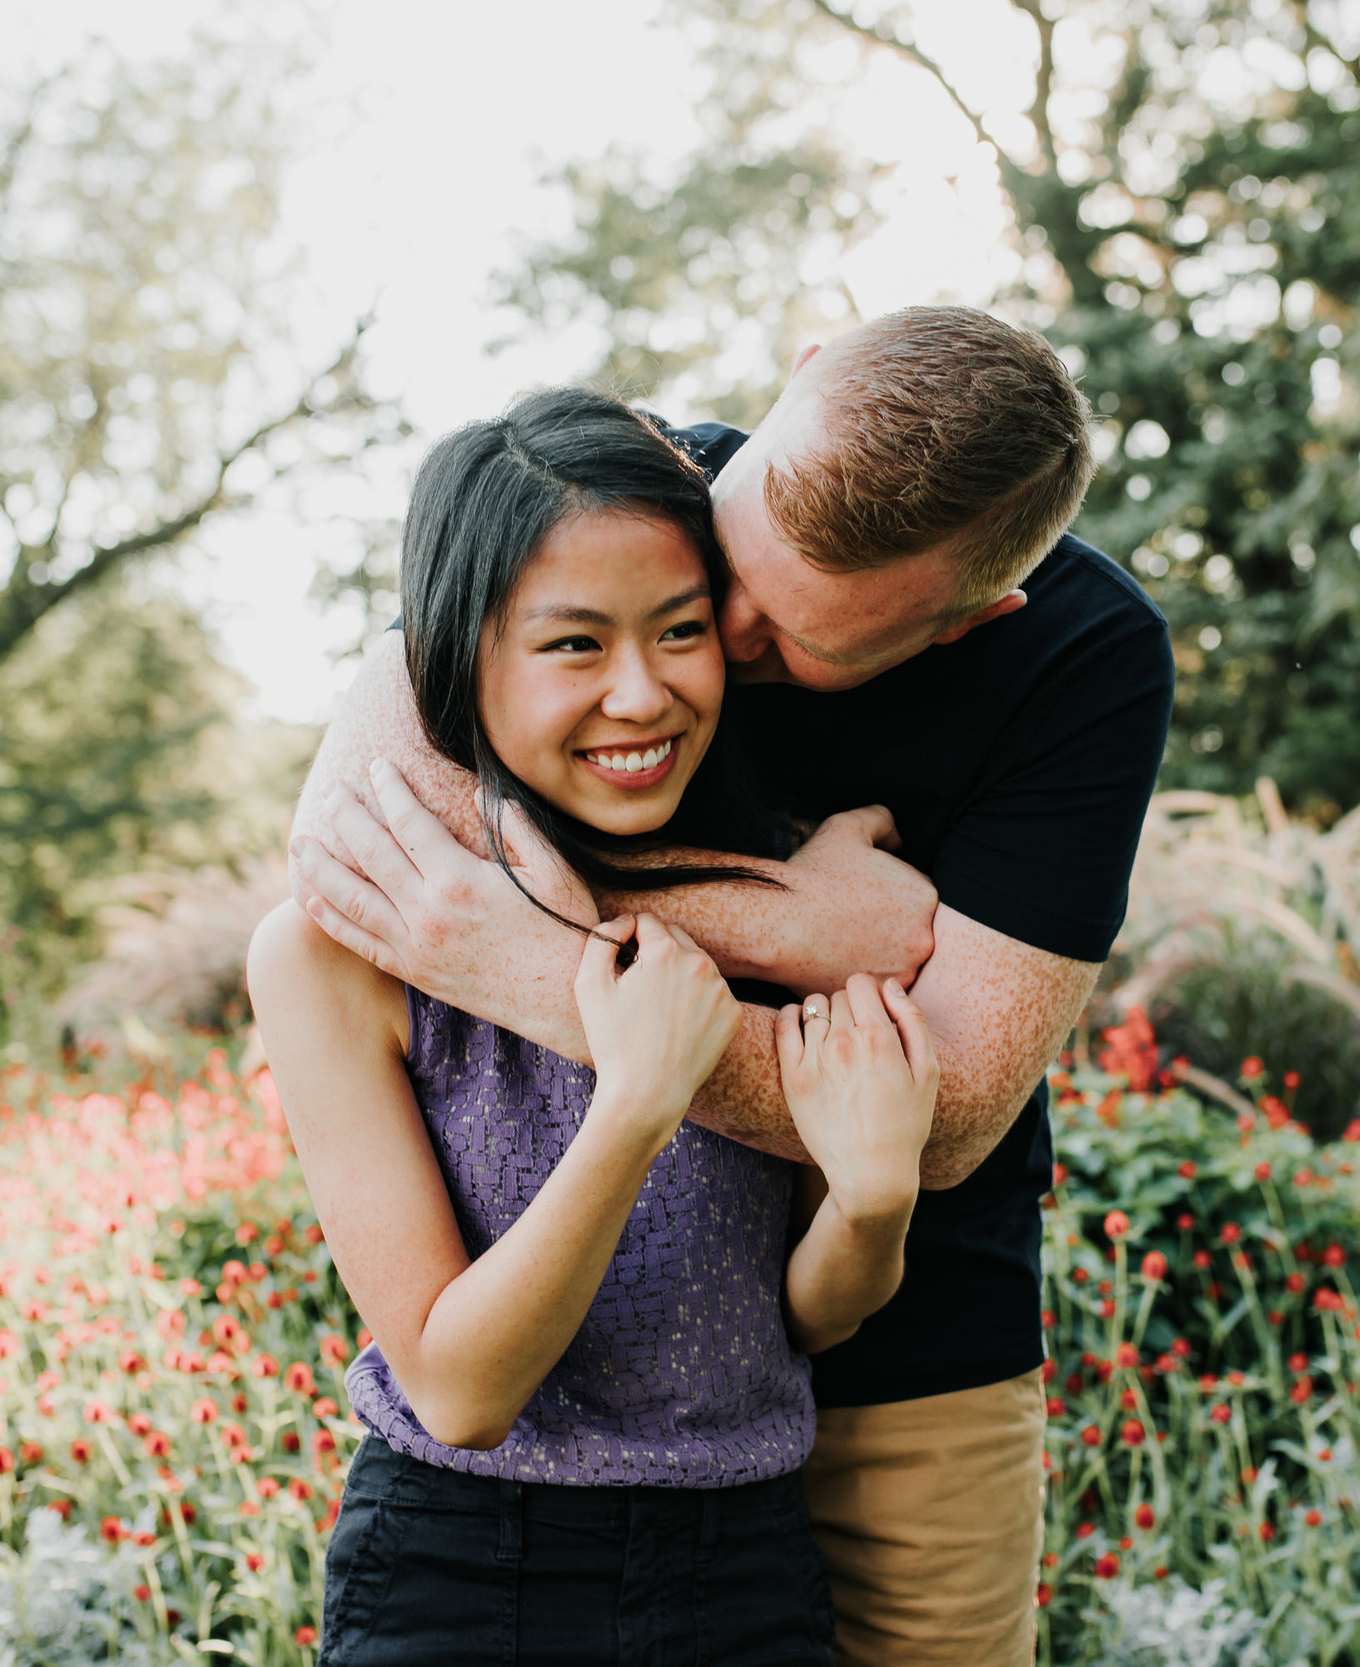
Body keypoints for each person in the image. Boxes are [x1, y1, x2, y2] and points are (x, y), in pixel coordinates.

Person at [293, 307, 1176, 1665]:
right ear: (801, 370)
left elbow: (947, 1114)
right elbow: (353, 835)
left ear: (966, 620)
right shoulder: (625, 493)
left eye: (785, 636)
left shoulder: (1081, 655)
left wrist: (544, 959)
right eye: (729, 573)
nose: (721, 639)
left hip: (904, 1346)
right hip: (512, 1487)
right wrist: (779, 924)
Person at [248, 387, 941, 1663]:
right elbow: (458, 1388)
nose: (641, 694)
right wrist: (632, 1105)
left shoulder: (779, 908)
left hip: (747, 1570)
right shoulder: (330, 954)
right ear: (457, 655)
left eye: (680, 631)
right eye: (574, 645)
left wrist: (876, 1198)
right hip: (465, 1577)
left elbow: (796, 1317)